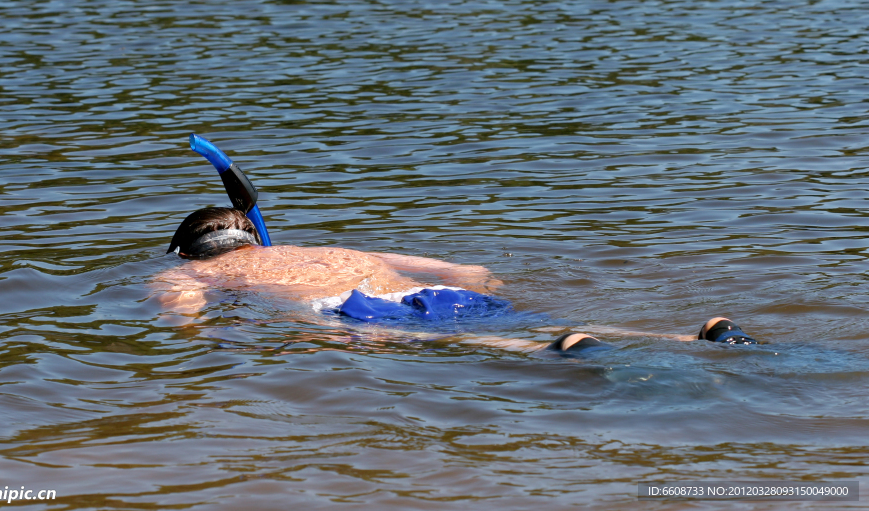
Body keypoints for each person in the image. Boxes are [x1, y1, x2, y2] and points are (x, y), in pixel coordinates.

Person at [150, 206, 761, 352]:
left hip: (358, 308)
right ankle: (695, 337)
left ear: (187, 251)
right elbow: (461, 269)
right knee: (517, 320)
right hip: (442, 291)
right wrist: (479, 283)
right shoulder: (328, 244)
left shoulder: (200, 272)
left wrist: (204, 323)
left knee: (486, 346)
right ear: (256, 235)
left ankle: (563, 351)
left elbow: (182, 314)